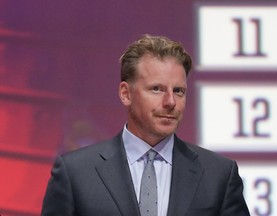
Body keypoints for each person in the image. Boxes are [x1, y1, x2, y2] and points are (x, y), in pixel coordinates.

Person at [41, 34, 250, 216]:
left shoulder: (219, 175)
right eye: (157, 89)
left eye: (178, 91)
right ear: (125, 94)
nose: (170, 102)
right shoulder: (75, 172)